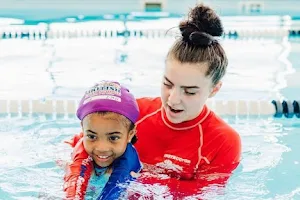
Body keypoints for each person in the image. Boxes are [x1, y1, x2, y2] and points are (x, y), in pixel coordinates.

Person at [131, 3, 242, 198]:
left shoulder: (223, 142)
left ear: (214, 90)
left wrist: (135, 179)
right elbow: (77, 147)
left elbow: (204, 194)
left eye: (189, 92)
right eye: (167, 84)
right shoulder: (135, 113)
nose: (173, 100)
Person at [63, 80, 142, 200]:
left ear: (130, 134)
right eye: (92, 136)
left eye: (113, 138)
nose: (102, 148)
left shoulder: (138, 176)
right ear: (83, 129)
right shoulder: (68, 156)